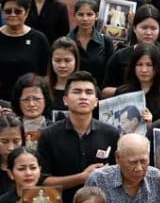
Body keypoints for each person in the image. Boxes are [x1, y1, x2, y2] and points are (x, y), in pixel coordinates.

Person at [37, 71, 119, 203]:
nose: (83, 96)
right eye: (77, 92)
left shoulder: (111, 134)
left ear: (96, 101)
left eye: (88, 92)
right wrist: (82, 177)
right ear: (65, 100)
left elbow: (119, 178)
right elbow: (42, 182)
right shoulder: (48, 135)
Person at [84, 133, 160, 203]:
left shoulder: (156, 178)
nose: (139, 168)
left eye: (143, 161)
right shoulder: (98, 180)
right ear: (117, 157)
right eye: (132, 163)